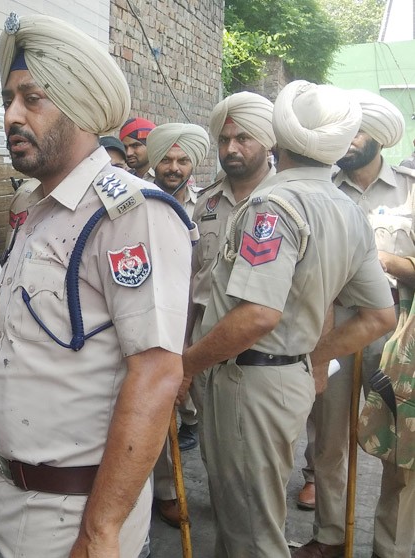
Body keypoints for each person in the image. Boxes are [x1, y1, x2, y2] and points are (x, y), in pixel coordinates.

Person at [0, 13, 193, 557]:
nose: (12, 116)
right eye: (8, 99)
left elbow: (156, 372)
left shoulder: (129, 213)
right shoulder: (36, 207)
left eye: (32, 99)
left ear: (78, 106)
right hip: (13, 499)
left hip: (76, 514)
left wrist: (100, 531)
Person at [180, 80, 397, 558]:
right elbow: (379, 314)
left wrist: (187, 364)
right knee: (249, 515)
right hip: (284, 379)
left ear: (278, 136)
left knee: (252, 532)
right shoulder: (347, 209)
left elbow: (257, 314)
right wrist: (308, 357)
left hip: (248, 383)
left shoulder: (272, 206)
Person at [293, 90, 415, 558]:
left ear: (379, 139)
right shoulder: (322, 187)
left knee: (400, 451)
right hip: (336, 330)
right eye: (345, 129)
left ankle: (391, 548)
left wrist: (380, 259)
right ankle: (329, 536)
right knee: (329, 441)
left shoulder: (408, 188)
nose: (350, 139)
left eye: (359, 130)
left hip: (397, 339)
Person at [189, 91, 276, 434]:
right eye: (223, 140)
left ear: (268, 142)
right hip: (203, 351)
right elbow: (193, 278)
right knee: (215, 459)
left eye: (243, 138)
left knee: (252, 470)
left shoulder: (285, 200)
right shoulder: (205, 203)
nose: (230, 149)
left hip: (260, 358)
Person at [143, 122, 210, 527]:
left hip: (195, 318)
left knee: (197, 408)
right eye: (166, 159)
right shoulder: (134, 197)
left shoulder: (207, 205)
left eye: (183, 160)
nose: (173, 167)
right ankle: (165, 491)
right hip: (147, 316)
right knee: (153, 407)